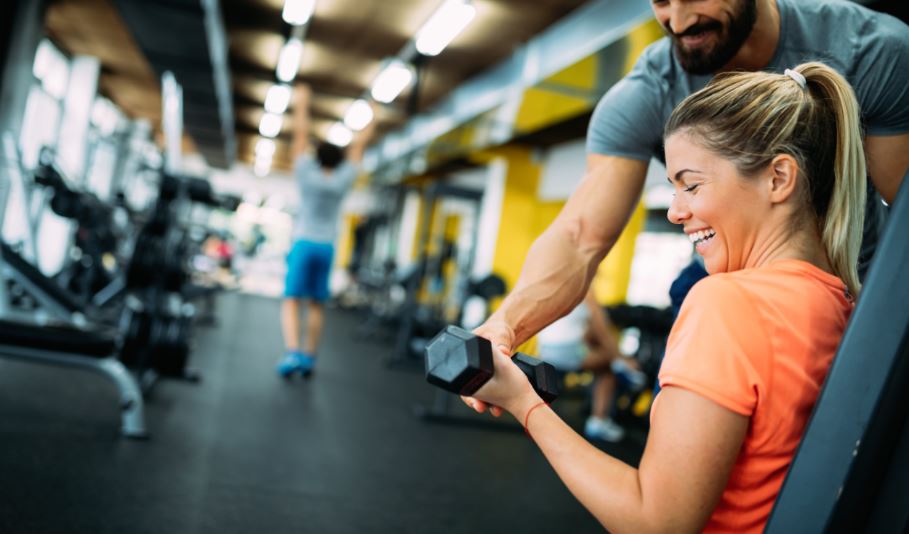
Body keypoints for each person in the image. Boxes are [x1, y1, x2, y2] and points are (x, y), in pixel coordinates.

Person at [465, 62, 865, 532]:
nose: (675, 212)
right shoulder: (841, 303)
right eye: (672, 188)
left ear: (779, 178)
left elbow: (656, 521)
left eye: (691, 185)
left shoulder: (726, 303)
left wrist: (523, 403)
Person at [468, 0, 909, 396]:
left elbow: (904, 220)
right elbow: (580, 234)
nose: (678, 21)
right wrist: (505, 326)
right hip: (718, 288)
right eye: (662, 1)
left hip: (854, 294)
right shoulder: (650, 90)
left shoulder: (868, 51)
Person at [277, 84, 378, 377]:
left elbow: (299, 135)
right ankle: (309, 357)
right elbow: (359, 145)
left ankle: (292, 353)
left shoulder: (307, 174)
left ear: (316, 156)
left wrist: (302, 102)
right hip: (327, 247)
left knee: (292, 300)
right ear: (339, 160)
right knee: (317, 304)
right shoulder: (343, 179)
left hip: (304, 244)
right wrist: (373, 114)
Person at [537, 287, 646, 442]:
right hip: (568, 351)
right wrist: (619, 356)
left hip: (545, 351)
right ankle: (598, 422)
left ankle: (624, 369)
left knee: (596, 346)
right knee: (608, 366)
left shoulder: (553, 283)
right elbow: (601, 327)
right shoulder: (584, 287)